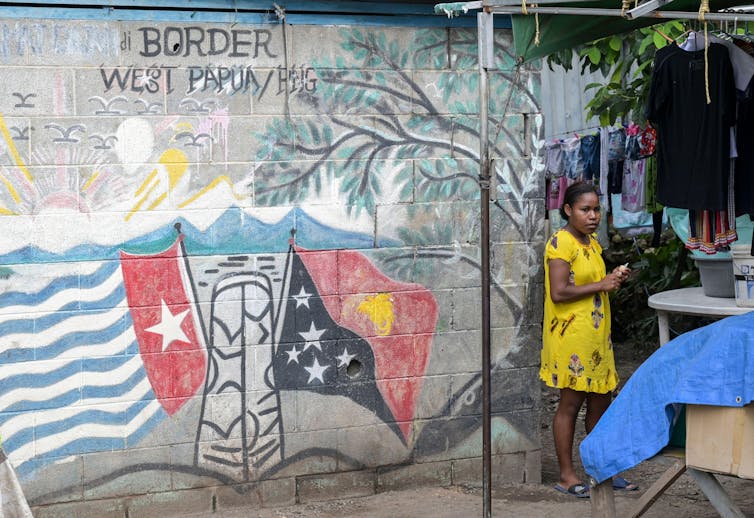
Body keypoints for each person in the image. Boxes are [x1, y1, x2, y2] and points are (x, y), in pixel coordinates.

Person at [541, 181, 636, 498]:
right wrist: (602, 285)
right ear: (568, 210)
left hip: (596, 336)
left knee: (601, 401)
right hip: (572, 337)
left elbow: (595, 284)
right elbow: (559, 292)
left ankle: (601, 470)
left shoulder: (592, 243)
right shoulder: (561, 243)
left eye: (596, 209)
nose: (593, 215)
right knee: (571, 403)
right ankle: (567, 475)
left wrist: (613, 280)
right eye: (585, 209)